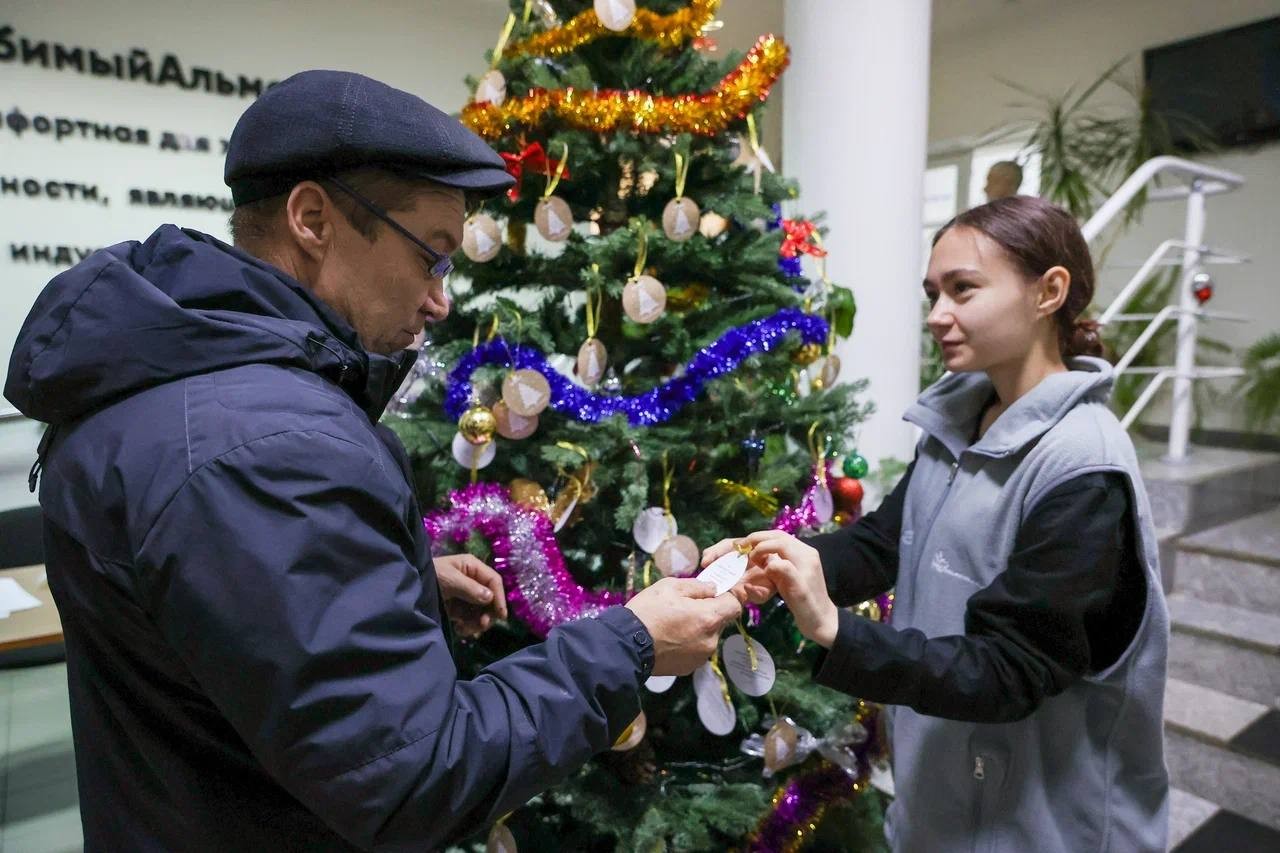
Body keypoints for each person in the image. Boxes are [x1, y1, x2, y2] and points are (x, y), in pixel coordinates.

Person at [4, 70, 740, 851]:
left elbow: (212, 608)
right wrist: (628, 643)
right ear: (313, 218)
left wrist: (397, 578)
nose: (441, 300)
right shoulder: (274, 448)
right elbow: (418, 777)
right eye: (433, 256)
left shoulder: (174, 375)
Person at [708, 195, 1169, 852]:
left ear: (1050, 291)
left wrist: (837, 631)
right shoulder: (956, 426)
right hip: (943, 809)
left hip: (1041, 832)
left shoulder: (1082, 468)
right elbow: (882, 542)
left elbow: (1010, 669)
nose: (937, 316)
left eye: (963, 290)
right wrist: (784, 559)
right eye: (933, 292)